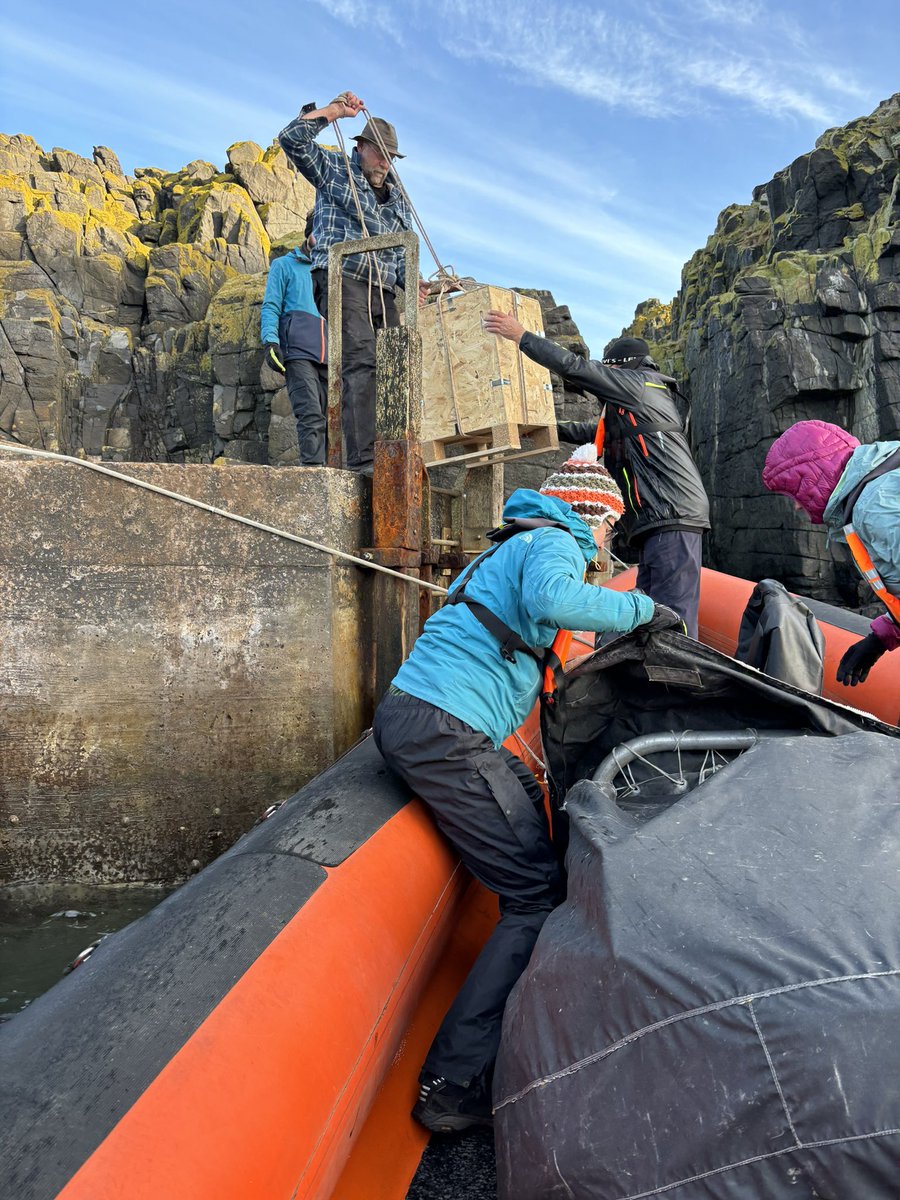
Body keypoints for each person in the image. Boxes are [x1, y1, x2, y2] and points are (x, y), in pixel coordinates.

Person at [372, 447, 683, 1134]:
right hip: (443, 728)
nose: (605, 543)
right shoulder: (553, 542)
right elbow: (551, 601)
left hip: (431, 721)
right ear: (592, 514)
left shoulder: (519, 542)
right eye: (607, 528)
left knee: (526, 804)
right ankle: (452, 1084)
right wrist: (640, 608)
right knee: (534, 895)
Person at [483, 319, 710, 638]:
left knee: (673, 612)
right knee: (653, 610)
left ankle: (680, 682)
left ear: (622, 367)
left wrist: (521, 337)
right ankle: (648, 681)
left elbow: (576, 368)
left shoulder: (639, 385)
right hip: (657, 519)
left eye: (609, 369)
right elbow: (594, 434)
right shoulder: (639, 402)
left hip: (672, 514)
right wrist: (547, 428)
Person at [278, 90, 425, 475]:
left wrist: (417, 285)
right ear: (360, 147)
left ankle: (395, 452)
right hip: (344, 278)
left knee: (397, 365)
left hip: (384, 289)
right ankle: (364, 462)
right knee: (360, 361)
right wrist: (332, 113)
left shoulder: (398, 199)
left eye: (390, 157)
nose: (385, 163)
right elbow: (291, 140)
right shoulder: (335, 169)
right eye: (379, 153)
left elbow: (402, 253)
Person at [762, 419, 900, 686]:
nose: (797, 509)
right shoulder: (883, 480)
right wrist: (881, 637)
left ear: (813, 477)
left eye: (795, 496)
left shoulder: (873, 508)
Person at [260, 214, 328, 465]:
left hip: (331, 355)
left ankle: (330, 471)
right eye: (318, 233)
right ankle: (313, 473)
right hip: (298, 352)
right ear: (308, 234)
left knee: (332, 419)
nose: (322, 240)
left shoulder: (334, 269)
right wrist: (270, 341)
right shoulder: (283, 265)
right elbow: (270, 306)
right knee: (310, 413)